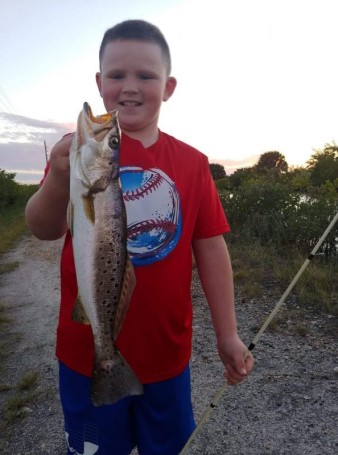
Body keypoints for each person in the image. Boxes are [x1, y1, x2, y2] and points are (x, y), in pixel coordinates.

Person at [25, 19, 254, 455]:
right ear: (99, 82)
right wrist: (58, 176)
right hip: (84, 353)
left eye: (145, 76)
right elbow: (43, 227)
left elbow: (210, 248)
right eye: (116, 75)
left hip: (167, 357)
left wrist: (227, 335)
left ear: (167, 87)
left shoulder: (192, 162)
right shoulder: (76, 155)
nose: (129, 86)